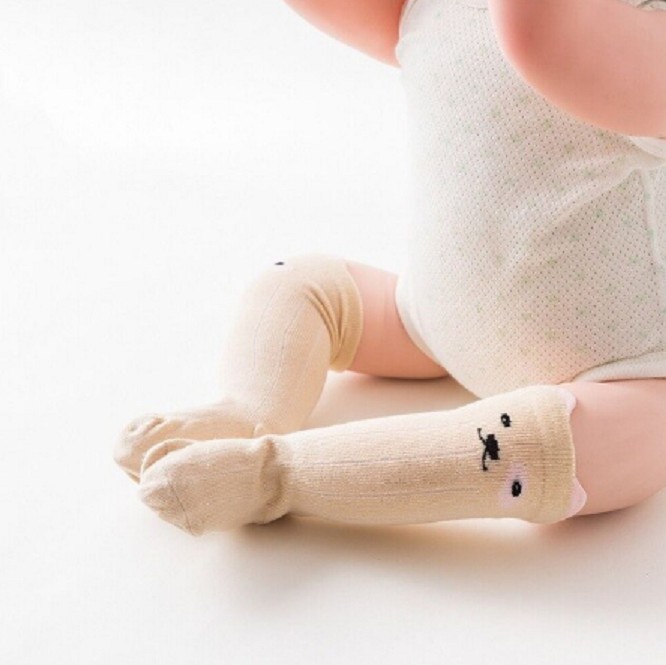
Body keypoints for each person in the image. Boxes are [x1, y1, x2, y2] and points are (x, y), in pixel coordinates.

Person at [115, 0, 666, 536]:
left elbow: (546, 37)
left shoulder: (643, 34)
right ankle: (246, 412)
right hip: (429, 320)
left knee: (567, 448)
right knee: (300, 283)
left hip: (621, 373)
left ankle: (273, 475)